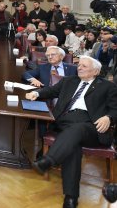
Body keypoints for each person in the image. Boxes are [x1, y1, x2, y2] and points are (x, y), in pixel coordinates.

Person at [26, 56, 117, 208]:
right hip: (65, 122)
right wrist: (37, 93)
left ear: (95, 71)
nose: (79, 67)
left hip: (91, 127)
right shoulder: (69, 81)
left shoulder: (107, 86)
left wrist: (109, 117)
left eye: (84, 66)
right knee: (73, 145)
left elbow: (115, 108)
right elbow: (50, 90)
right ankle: (70, 198)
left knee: (78, 130)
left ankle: (49, 161)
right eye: (79, 65)